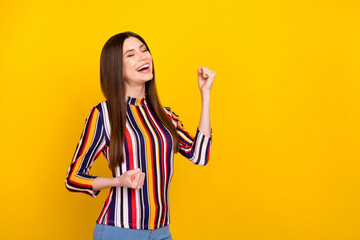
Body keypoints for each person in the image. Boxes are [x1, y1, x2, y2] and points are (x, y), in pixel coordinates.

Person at [65, 31, 215, 240]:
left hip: (161, 231)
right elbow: (73, 179)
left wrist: (205, 95)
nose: (143, 56)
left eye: (144, 50)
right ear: (116, 67)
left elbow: (199, 155)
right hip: (119, 231)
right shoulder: (104, 114)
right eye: (131, 54)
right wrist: (118, 181)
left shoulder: (165, 115)